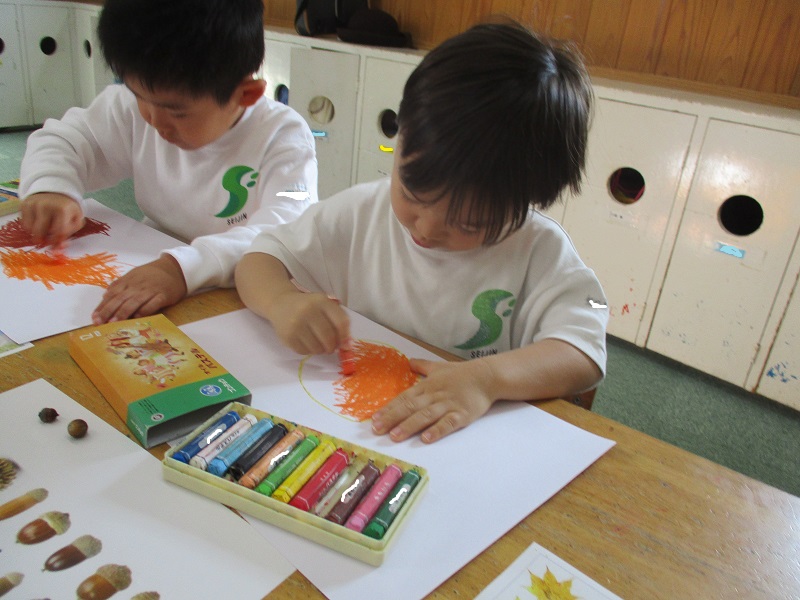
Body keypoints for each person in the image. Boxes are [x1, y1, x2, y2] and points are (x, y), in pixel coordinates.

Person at [235, 21, 608, 444]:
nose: (425, 228)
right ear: (400, 135)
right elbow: (259, 260)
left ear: (529, 201)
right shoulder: (360, 213)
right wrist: (281, 301)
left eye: (468, 223)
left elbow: (583, 353)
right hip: (354, 431)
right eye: (412, 193)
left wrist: (487, 378)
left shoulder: (540, 252)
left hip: (466, 443)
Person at [19, 0, 317, 323]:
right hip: (152, 263)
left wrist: (180, 269)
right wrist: (52, 185)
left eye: (177, 113)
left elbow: (286, 226)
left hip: (245, 288)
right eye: (139, 97)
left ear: (245, 95)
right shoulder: (141, 103)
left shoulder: (285, 137)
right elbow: (66, 139)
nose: (154, 121)